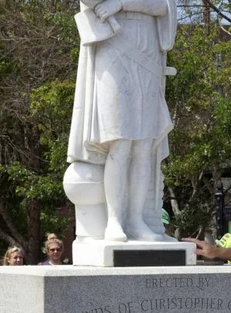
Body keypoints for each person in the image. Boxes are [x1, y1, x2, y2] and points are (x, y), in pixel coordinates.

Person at [67, 0, 177, 242]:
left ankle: (136, 220)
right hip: (112, 44)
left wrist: (120, 3)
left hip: (147, 46)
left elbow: (163, 6)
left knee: (144, 145)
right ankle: (115, 221)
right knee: (120, 142)